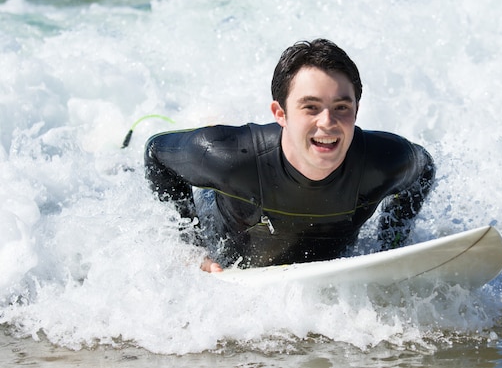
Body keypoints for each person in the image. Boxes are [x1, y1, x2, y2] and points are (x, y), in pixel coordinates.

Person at [144, 39, 435, 273]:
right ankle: (211, 118)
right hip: (224, 212)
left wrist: (389, 249)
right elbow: (156, 153)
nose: (327, 122)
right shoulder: (227, 157)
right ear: (280, 113)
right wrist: (192, 249)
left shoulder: (381, 162)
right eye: (311, 107)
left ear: (357, 110)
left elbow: (424, 170)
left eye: (341, 107)